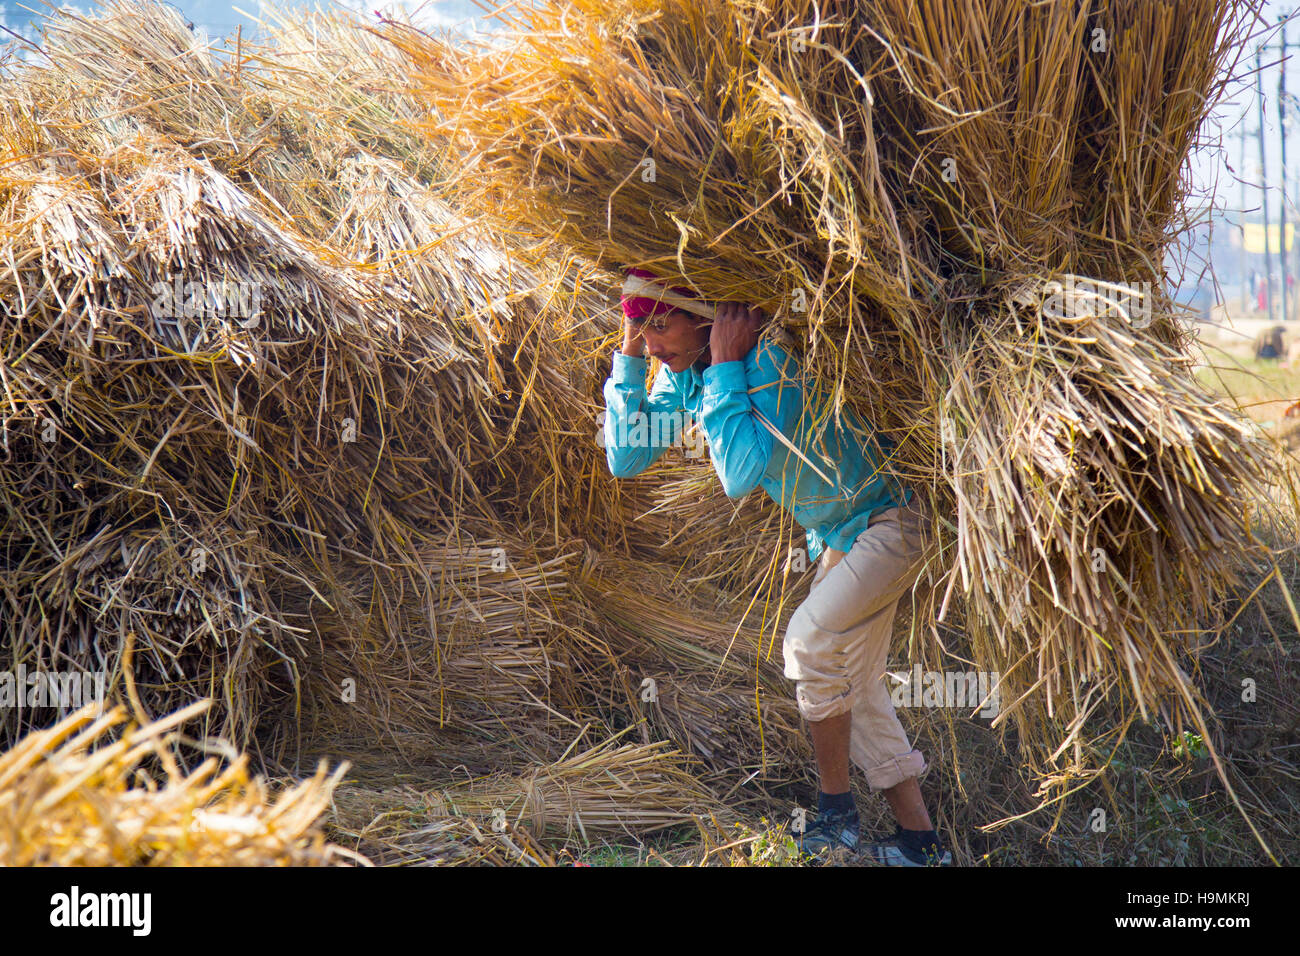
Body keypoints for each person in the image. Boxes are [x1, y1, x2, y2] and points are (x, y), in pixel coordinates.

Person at [601, 267, 951, 865]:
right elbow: (626, 457)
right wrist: (631, 357)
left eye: (662, 327)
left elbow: (738, 476)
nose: (656, 345)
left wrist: (729, 367)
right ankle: (921, 845)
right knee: (852, 684)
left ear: (704, 317)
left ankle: (835, 813)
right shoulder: (694, 373)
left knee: (808, 645)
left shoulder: (767, 363)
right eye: (646, 333)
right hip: (844, 534)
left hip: (896, 518)